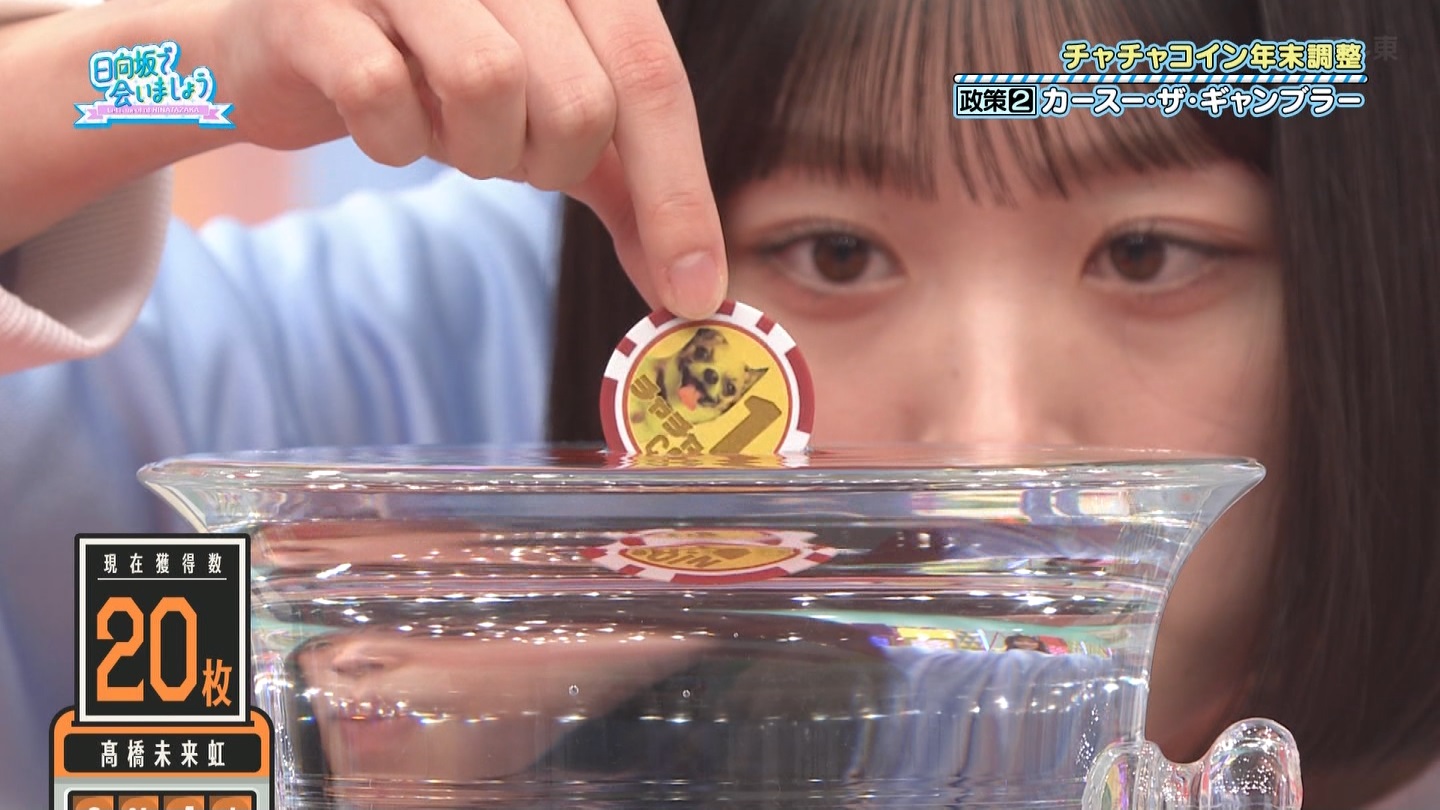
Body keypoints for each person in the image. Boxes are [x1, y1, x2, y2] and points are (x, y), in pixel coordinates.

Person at [0, 1, 1436, 808]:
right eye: (838, 254)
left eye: (1148, 253)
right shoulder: (455, 341)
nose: (993, 440)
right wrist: (171, 70)